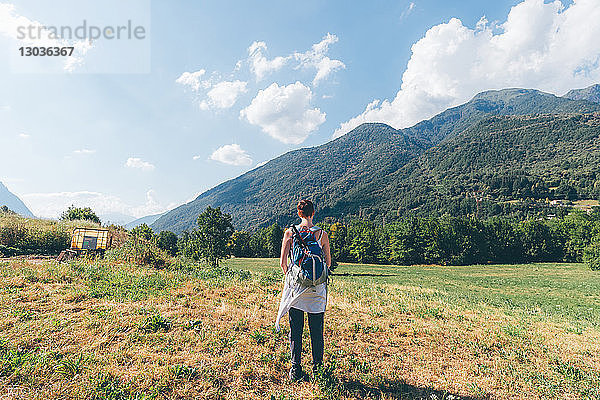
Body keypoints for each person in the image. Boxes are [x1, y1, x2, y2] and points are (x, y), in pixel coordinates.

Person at [276, 199, 332, 382]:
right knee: (317, 331)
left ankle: (295, 369)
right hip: (316, 290)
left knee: (296, 330)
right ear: (313, 213)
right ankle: (318, 370)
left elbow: (283, 263)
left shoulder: (290, 233)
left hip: (297, 289)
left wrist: (295, 276)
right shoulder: (322, 234)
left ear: (299, 213)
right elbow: (328, 263)